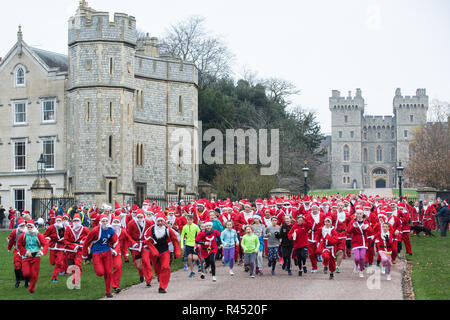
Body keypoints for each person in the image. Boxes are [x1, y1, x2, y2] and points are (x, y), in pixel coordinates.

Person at [82, 215, 118, 298]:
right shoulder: (95, 231)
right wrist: (85, 255)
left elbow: (115, 240)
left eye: (106, 221)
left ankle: (108, 291)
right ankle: (99, 270)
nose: (105, 223)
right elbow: (86, 242)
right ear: (100, 222)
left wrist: (114, 248)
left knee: (108, 272)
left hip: (107, 252)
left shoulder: (110, 230)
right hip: (96, 252)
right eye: (103, 221)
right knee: (100, 272)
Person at [144, 214, 181, 293]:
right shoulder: (151, 229)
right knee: (157, 270)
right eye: (158, 221)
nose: (160, 223)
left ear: (164, 222)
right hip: (154, 253)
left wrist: (177, 251)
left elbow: (174, 240)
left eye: (161, 221)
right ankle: (159, 276)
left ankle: (162, 287)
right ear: (156, 221)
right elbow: (146, 240)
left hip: (164, 251)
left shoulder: (168, 230)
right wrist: (153, 249)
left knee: (165, 267)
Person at [17, 219, 49, 293]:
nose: (29, 228)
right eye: (28, 227)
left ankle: (31, 288)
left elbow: (45, 244)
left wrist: (42, 252)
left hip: (36, 256)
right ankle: (29, 281)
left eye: (31, 227)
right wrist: (26, 252)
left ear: (34, 227)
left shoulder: (38, 235)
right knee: (26, 273)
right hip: (26, 257)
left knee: (34, 274)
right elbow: (19, 244)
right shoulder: (24, 235)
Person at [127, 209, 154, 286]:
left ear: (143, 216)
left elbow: (152, 231)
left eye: (141, 217)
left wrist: (150, 240)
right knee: (138, 265)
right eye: (138, 217)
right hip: (136, 245)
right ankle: (141, 274)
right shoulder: (131, 223)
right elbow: (127, 234)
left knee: (146, 261)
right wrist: (132, 242)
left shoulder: (148, 222)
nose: (139, 218)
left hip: (145, 244)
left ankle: (148, 279)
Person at [110, 216, 137, 293]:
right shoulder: (108, 231)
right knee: (107, 270)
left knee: (118, 267)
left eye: (117, 222)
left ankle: (116, 285)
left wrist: (134, 243)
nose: (115, 224)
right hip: (107, 252)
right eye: (114, 222)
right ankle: (109, 284)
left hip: (118, 252)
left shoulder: (122, 231)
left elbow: (128, 238)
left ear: (119, 223)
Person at [63, 213, 90, 289]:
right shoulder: (68, 229)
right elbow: (65, 240)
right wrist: (72, 245)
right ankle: (75, 279)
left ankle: (76, 282)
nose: (76, 222)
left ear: (80, 221)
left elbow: (89, 238)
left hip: (79, 250)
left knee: (78, 265)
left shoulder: (85, 229)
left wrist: (87, 246)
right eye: (74, 220)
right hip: (70, 250)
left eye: (77, 220)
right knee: (72, 266)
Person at [347, 206, 372, 278]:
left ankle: (361, 271)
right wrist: (353, 227)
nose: (359, 215)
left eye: (360, 214)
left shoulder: (366, 222)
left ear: (362, 214)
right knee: (357, 258)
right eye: (358, 214)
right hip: (355, 241)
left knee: (362, 257)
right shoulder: (353, 222)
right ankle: (356, 265)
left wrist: (367, 228)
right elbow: (348, 231)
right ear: (356, 214)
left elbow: (371, 232)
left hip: (364, 242)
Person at [44, 216, 66, 282]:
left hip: (61, 247)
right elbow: (45, 235)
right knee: (52, 262)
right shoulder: (51, 227)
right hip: (53, 246)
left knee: (59, 262)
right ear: (55, 221)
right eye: (57, 220)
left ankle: (54, 277)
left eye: (60, 220)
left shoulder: (64, 228)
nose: (58, 222)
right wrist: (45, 241)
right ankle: (61, 269)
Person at [305, 203, 325, 273]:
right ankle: (314, 267)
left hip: (320, 235)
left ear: (318, 208)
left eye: (316, 209)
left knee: (319, 251)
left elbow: (326, 224)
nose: (314, 210)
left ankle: (323, 261)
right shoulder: (308, 216)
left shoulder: (322, 215)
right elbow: (306, 226)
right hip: (311, 236)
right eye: (313, 209)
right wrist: (308, 230)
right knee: (311, 254)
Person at [7, 218, 27, 288]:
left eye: (24, 225)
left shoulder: (28, 231)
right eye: (21, 226)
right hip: (17, 250)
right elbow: (11, 241)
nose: (23, 227)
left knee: (26, 266)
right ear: (18, 226)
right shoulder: (14, 232)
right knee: (17, 265)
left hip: (26, 250)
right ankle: (18, 280)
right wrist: (9, 248)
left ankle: (26, 282)